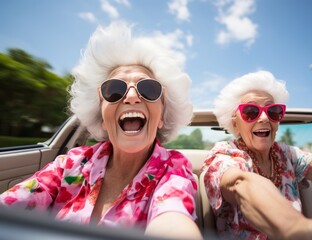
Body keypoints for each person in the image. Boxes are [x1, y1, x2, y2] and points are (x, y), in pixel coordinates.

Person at [0, 22, 202, 239]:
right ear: (103, 116)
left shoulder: (174, 169)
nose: (132, 97)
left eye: (148, 89)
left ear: (161, 116)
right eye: (114, 90)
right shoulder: (71, 164)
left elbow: (172, 217)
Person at [201, 70, 312, 239]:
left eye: (273, 111)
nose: (263, 118)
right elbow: (240, 184)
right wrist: (295, 228)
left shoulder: (287, 154)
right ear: (235, 123)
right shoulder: (225, 155)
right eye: (250, 111)